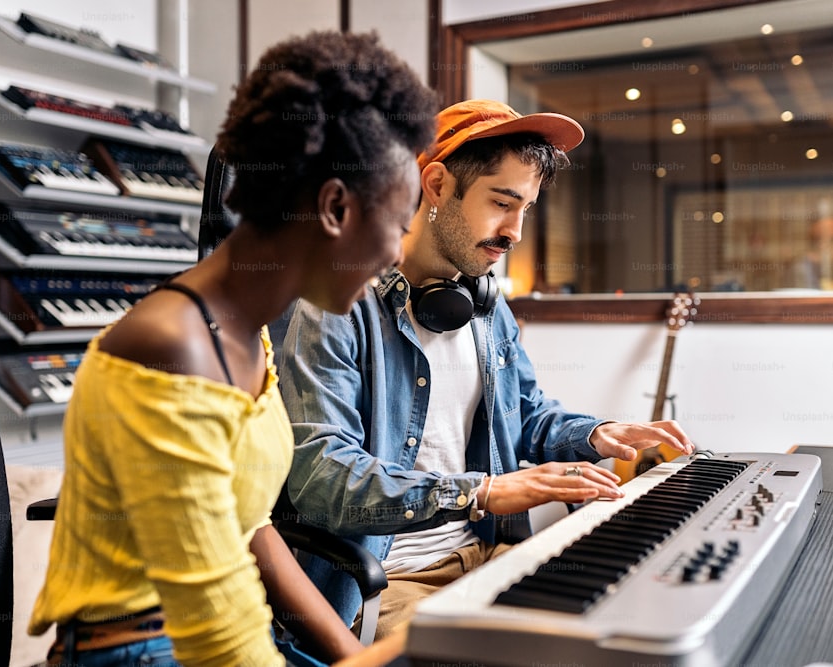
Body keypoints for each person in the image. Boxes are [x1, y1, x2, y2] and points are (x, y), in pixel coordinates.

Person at [28, 31, 438, 667]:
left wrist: (347, 651)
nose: (395, 254)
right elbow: (214, 626)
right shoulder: (171, 348)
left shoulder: (249, 336)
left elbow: (245, 527)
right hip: (143, 651)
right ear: (334, 207)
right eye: (398, 225)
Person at [280, 99, 695, 640]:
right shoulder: (332, 305)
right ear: (435, 185)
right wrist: (478, 493)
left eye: (526, 208)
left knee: (635, 626)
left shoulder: (485, 303)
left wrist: (598, 434)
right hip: (387, 585)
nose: (516, 231)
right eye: (503, 202)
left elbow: (524, 415)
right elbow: (322, 477)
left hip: (496, 557)